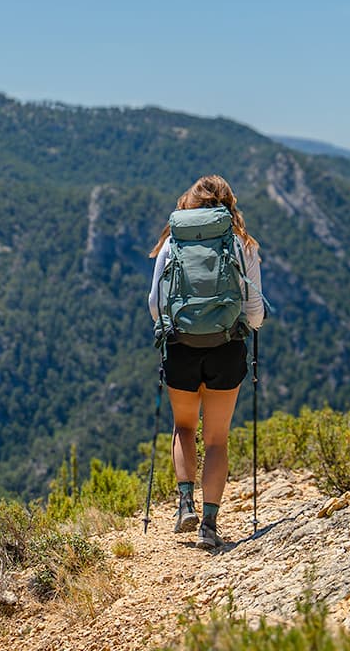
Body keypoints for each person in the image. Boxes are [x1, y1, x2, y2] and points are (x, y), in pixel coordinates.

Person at [147, 175, 265, 549]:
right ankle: (210, 526)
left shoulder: (171, 244)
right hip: (226, 348)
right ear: (229, 204)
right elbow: (255, 311)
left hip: (180, 347)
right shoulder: (241, 244)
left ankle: (184, 505)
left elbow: (155, 304)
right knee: (216, 439)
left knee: (183, 427)